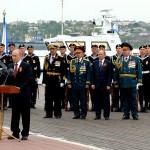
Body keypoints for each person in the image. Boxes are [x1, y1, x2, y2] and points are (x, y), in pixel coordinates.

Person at [7, 49, 32, 140]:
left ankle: (25, 133)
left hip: (24, 93)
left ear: (20, 56)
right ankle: (15, 132)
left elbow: (29, 79)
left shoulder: (26, 66)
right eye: (12, 56)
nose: (13, 58)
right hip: (13, 94)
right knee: (15, 113)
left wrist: (21, 87)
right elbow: (8, 78)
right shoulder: (10, 66)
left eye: (15, 56)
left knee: (25, 114)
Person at [113, 42, 142, 120]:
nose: (125, 52)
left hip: (132, 82)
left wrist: (139, 81)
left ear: (130, 51)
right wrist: (115, 82)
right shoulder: (119, 60)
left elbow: (139, 70)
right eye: (123, 50)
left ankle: (135, 114)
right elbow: (116, 72)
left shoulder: (135, 59)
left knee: (133, 99)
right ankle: (126, 114)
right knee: (124, 99)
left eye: (126, 50)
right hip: (122, 82)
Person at [43, 44, 66, 119]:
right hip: (49, 79)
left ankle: (57, 113)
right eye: (51, 49)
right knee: (48, 97)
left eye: (53, 49)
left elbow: (64, 70)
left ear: (56, 50)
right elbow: (44, 70)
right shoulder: (47, 58)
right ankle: (48, 113)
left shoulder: (61, 58)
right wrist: (44, 81)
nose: (52, 50)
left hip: (57, 79)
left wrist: (62, 80)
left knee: (57, 98)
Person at [67, 46, 91, 119]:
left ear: (83, 53)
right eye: (76, 53)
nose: (77, 54)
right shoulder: (72, 61)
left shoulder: (86, 62)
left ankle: (83, 113)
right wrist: (69, 82)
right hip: (74, 83)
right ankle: (76, 113)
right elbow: (69, 73)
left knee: (83, 100)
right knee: (75, 100)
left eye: (79, 53)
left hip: (82, 84)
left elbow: (88, 73)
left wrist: (87, 83)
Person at [91, 50, 112, 120]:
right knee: (97, 101)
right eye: (99, 54)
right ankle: (97, 115)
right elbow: (92, 74)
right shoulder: (95, 63)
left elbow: (110, 75)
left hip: (105, 84)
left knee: (106, 101)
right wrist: (93, 83)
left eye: (101, 54)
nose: (100, 55)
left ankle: (106, 115)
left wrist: (109, 84)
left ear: (104, 55)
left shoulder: (108, 63)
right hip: (97, 85)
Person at [111, 44, 123, 112]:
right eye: (117, 48)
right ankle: (116, 105)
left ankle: (122, 106)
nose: (118, 49)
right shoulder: (113, 57)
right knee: (115, 93)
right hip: (114, 77)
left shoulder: (123, 57)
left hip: (121, 77)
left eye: (119, 48)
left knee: (122, 93)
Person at [138, 45, 150, 112]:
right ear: (139, 50)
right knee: (140, 92)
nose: (142, 51)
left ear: (145, 50)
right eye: (141, 49)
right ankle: (141, 105)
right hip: (140, 76)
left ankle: (146, 106)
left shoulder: (148, 59)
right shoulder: (137, 59)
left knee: (147, 92)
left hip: (147, 77)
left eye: (143, 49)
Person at [87, 44, 99, 111]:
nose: (94, 50)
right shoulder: (88, 58)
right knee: (92, 93)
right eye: (93, 48)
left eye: (95, 48)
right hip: (91, 77)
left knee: (98, 93)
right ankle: (93, 105)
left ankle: (98, 106)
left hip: (98, 77)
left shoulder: (99, 57)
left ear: (97, 49)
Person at [0, 43, 11, 110]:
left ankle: (4, 104)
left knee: (4, 89)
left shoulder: (7, 57)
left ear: (4, 48)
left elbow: (9, 66)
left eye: (1, 47)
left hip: (4, 76)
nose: (0, 48)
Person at [65, 43, 76, 111]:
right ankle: (71, 104)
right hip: (68, 76)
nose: (72, 48)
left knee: (75, 92)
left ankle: (75, 105)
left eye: (73, 47)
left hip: (76, 76)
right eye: (70, 47)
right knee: (69, 92)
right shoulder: (66, 57)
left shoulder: (77, 56)